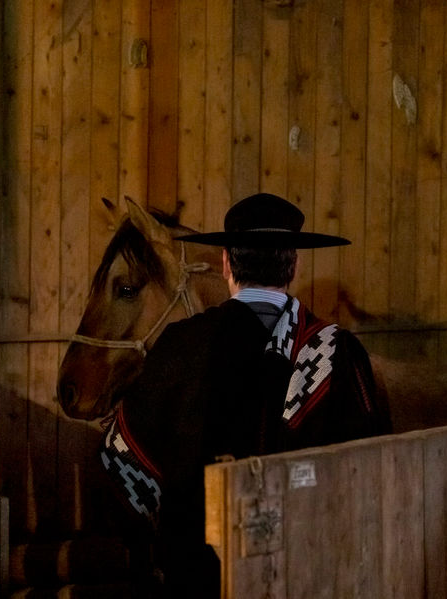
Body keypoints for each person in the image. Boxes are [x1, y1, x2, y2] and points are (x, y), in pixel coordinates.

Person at [99, 192, 391, 597]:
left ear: (225, 265)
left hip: (196, 580)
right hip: (309, 577)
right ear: (295, 263)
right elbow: (373, 466)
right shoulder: (333, 351)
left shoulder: (177, 346)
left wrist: (172, 539)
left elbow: (120, 458)